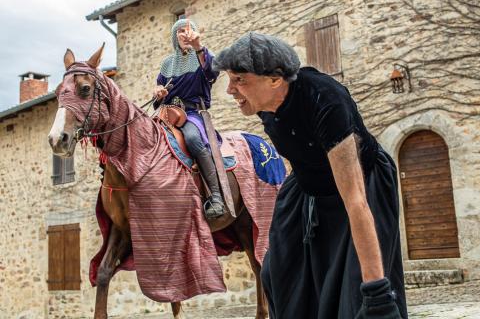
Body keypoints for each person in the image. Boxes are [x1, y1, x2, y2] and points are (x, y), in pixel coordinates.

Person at [213, 32, 408, 318]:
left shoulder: (324, 100)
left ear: (275, 79)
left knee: (355, 293)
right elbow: (300, 149)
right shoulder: (265, 105)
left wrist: (377, 294)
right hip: (307, 187)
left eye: (239, 79)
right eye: (229, 79)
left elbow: (355, 200)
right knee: (279, 275)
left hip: (360, 186)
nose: (230, 90)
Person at [154, 18, 225, 219]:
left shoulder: (202, 56)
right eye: (180, 31)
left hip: (192, 114)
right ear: (175, 37)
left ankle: (217, 197)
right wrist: (158, 92)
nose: (185, 34)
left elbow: (212, 73)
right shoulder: (167, 64)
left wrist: (199, 47)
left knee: (193, 139)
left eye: (189, 30)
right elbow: (160, 89)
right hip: (168, 114)